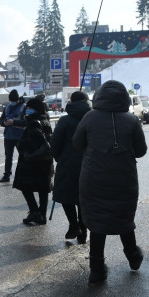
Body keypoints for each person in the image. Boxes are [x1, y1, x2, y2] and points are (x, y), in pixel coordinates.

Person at [73, 80, 147, 283]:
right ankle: (133, 255)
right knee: (123, 218)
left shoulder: (89, 117)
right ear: (124, 98)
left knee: (97, 222)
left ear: (98, 97)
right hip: (125, 178)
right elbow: (141, 151)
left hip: (93, 178)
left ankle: (96, 270)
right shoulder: (132, 120)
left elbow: (77, 143)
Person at [51, 91, 91, 243]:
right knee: (84, 198)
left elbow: (55, 143)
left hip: (67, 163)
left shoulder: (65, 120)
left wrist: (60, 158)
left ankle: (73, 225)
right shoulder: (93, 119)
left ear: (72, 102)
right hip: (90, 163)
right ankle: (83, 231)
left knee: (66, 195)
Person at [11, 97, 54, 225]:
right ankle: (42, 215)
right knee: (43, 189)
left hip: (32, 162)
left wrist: (21, 145)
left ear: (34, 109)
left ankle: (35, 212)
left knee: (25, 187)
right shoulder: (45, 120)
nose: (27, 110)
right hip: (45, 161)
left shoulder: (34, 122)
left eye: (29, 108)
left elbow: (34, 142)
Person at [0, 90, 26, 183]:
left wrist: (13, 122)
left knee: (23, 156)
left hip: (20, 136)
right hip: (8, 136)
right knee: (8, 157)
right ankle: (6, 175)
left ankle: (23, 175)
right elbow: (1, 120)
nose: (12, 102)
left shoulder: (24, 108)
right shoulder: (7, 107)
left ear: (17, 100)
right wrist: (4, 123)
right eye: (11, 100)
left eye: (13, 100)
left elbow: (26, 122)